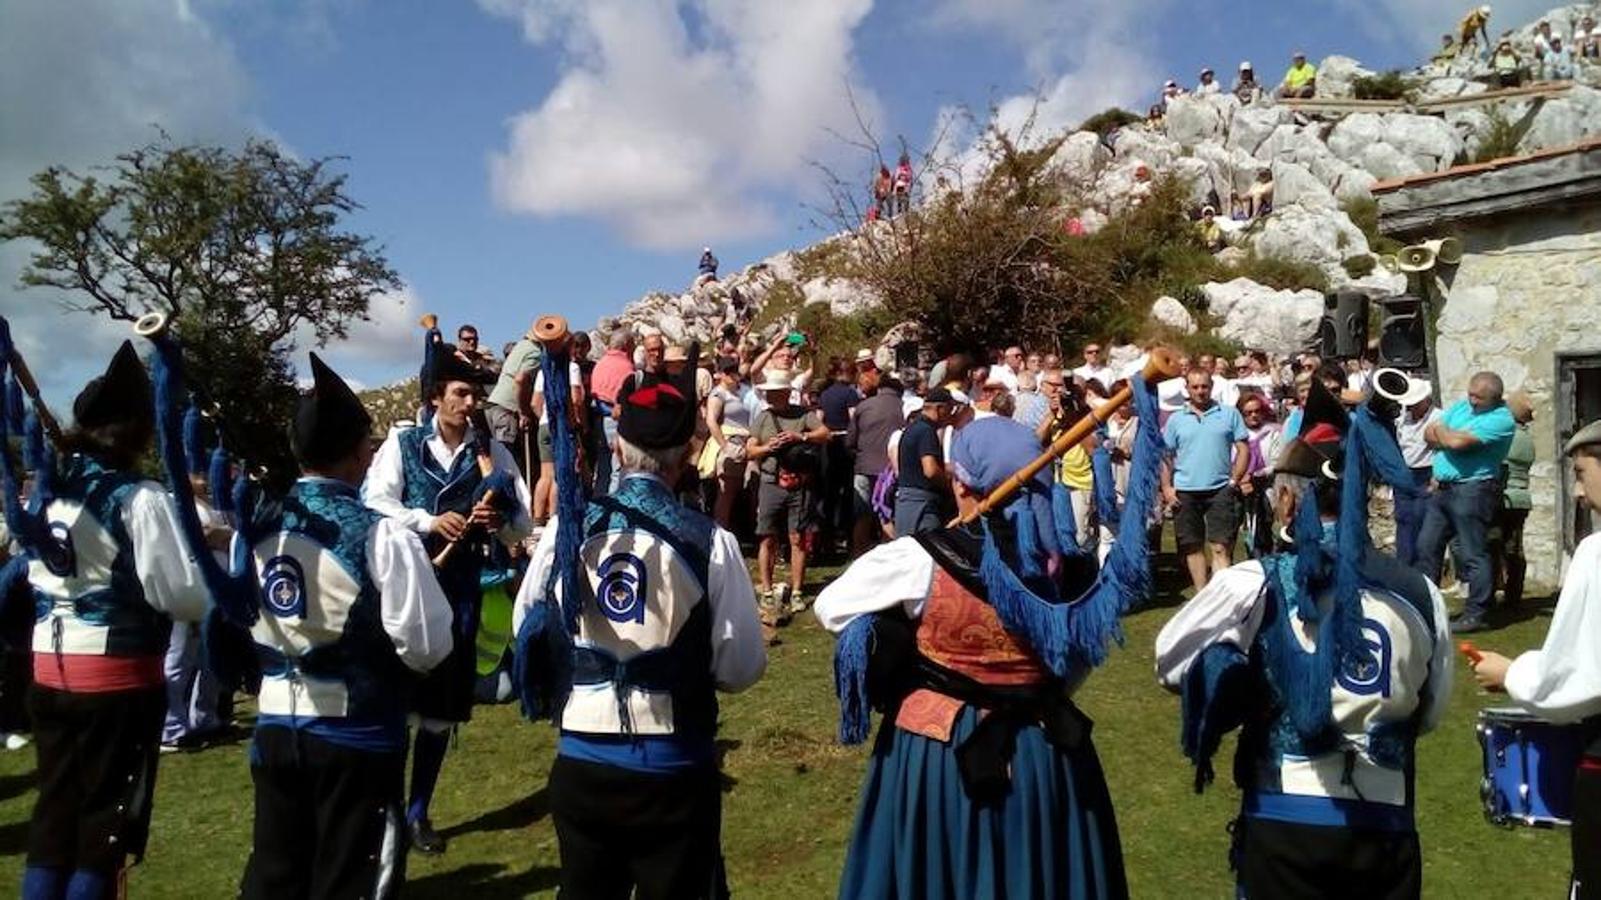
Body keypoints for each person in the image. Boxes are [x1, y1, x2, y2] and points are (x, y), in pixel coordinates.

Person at [814, 370, 1167, 900]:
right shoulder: (1068, 574)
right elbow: (1073, 668)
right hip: (1042, 752)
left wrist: (905, 639)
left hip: (938, 753)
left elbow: (832, 607)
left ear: (961, 483)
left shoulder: (917, 559)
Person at [1156, 381, 1451, 900]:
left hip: (1284, 814)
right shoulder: (1423, 593)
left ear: (1289, 500)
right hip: (1386, 822)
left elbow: (1171, 662)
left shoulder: (1252, 582)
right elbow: (1428, 714)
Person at [512, 344, 767, 899]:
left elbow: (527, 623)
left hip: (582, 760)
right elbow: (741, 666)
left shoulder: (566, 530)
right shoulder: (711, 541)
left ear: (619, 449)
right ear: (684, 454)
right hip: (673, 767)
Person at [238, 354, 454, 900]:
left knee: (276, 874)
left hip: (275, 727)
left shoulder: (258, 529)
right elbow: (427, 645)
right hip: (355, 735)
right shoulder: (384, 537)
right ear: (361, 453)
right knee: (352, 880)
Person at [16, 343, 210, 900]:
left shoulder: (46, 494)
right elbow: (184, 599)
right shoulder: (139, 498)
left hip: (50, 671)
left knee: (55, 820)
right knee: (105, 828)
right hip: (115, 678)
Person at [364, 344, 533, 855]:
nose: (470, 402)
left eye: (475, 394)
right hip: (406, 586)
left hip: (459, 589)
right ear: (436, 397)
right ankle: (386, 808)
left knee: (440, 705)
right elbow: (374, 501)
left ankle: (418, 811)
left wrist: (497, 519)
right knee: (397, 696)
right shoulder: (403, 444)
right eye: (460, 393)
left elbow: (521, 525)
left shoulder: (493, 454)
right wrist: (427, 520)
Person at [1470, 419, 1601, 900]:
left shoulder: (1596, 553)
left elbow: (1576, 678)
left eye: (1583, 473)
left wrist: (1512, 673)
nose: (1579, 492)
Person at [1416, 371, 1516, 634]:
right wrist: (1445, 434)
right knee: (1427, 546)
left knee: (1473, 553)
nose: (1471, 400)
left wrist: (1445, 434)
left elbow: (1456, 442)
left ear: (1494, 398)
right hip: (1444, 488)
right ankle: (1425, 608)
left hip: (1474, 489)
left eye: (1478, 397)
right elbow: (1428, 433)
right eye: (1470, 394)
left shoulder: (1501, 420)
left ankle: (1477, 614)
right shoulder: (1462, 407)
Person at [748, 370, 831, 621]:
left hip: (800, 484)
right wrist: (767, 447)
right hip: (770, 482)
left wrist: (800, 436)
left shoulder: (803, 414)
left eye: (776, 392)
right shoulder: (763, 418)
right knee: (767, 537)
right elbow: (750, 450)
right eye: (770, 393)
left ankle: (796, 590)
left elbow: (825, 434)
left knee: (798, 538)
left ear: (787, 392)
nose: (773, 396)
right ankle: (767, 588)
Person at [1162, 369, 1250, 592]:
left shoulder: (1229, 414)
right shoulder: (1176, 419)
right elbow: (1166, 456)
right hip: (1185, 490)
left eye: (1204, 386)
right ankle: (1202, 596)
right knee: (1192, 546)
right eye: (1195, 387)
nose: (1200, 391)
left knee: (1221, 546)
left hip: (1220, 488)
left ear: (1211, 387)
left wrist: (1234, 480)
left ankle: (1220, 596)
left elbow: (1243, 448)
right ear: (1187, 389)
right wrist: (1166, 487)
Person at [848, 364, 900, 554]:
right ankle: (889, 555)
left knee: (862, 514)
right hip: (890, 470)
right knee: (887, 514)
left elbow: (850, 440)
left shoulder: (864, 406)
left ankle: (858, 555)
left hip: (864, 467)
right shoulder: (904, 407)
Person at [894, 388, 956, 537]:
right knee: (928, 550)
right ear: (940, 409)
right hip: (922, 503)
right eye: (949, 409)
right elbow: (930, 470)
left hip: (906, 501)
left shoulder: (912, 428)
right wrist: (949, 487)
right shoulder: (926, 431)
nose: (950, 415)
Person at [1491, 391, 1535, 606]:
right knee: (1514, 547)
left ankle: (1500, 593)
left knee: (1496, 545)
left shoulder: (1508, 436)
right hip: (1521, 498)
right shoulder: (1526, 437)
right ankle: (1513, 594)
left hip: (1505, 496)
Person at [1392, 375, 1440, 568]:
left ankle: (1424, 574)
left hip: (1426, 474)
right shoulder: (1403, 418)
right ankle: (1404, 570)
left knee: (1423, 528)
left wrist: (1437, 477)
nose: (1410, 407)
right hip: (1405, 474)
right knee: (1404, 523)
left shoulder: (1438, 418)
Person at [532, 350, 585, 525]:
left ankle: (538, 518)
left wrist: (543, 418)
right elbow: (576, 399)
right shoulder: (572, 368)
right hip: (563, 425)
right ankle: (555, 518)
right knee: (559, 473)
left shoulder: (543, 372)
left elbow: (535, 402)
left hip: (544, 424)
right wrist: (577, 423)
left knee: (544, 474)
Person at [486, 320, 543, 478]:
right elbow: (521, 380)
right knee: (509, 460)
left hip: (494, 403)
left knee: (501, 456)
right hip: (508, 408)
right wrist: (524, 411)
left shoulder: (520, 346)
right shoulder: (535, 353)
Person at [703, 359, 752, 530]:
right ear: (721, 374)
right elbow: (711, 421)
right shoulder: (718, 394)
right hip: (730, 441)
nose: (731, 375)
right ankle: (720, 533)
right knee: (727, 493)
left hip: (748, 441)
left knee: (745, 488)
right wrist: (725, 446)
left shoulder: (744, 391)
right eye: (727, 372)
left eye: (734, 371)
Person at [591, 331, 637, 497]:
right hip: (617, 420)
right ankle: (615, 506)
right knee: (618, 468)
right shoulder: (626, 367)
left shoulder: (600, 364)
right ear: (626, 345)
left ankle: (599, 505)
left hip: (599, 420)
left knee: (603, 469)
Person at [1239, 393, 1278, 557]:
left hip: (1266, 488)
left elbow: (1277, 460)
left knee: (1266, 529)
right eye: (1248, 413)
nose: (1253, 415)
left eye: (1257, 411)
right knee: (1247, 529)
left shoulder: (1273, 433)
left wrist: (1258, 474)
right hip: (1241, 488)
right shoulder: (1237, 435)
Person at [891, 153, 913, 218]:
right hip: (900, 184)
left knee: (906, 198)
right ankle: (900, 211)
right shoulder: (899, 168)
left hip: (906, 185)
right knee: (900, 198)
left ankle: (906, 210)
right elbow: (895, 177)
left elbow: (910, 177)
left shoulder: (908, 169)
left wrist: (906, 179)